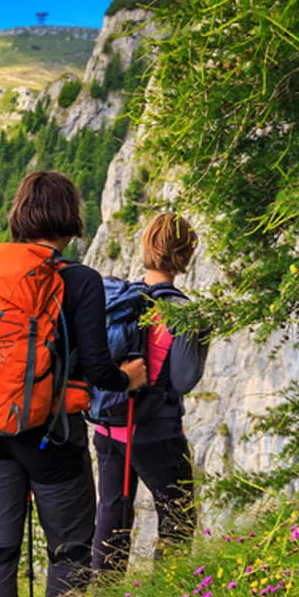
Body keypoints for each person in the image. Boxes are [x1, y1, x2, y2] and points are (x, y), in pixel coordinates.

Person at [0, 171, 147, 597]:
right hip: (50, 434)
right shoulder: (79, 280)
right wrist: (129, 377)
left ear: (22, 212)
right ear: (69, 217)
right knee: (68, 550)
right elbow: (98, 369)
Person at [91, 214, 210, 574]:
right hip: (155, 431)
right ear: (185, 255)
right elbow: (184, 380)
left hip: (109, 426)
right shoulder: (183, 312)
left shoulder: (120, 299)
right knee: (177, 515)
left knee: (112, 515)